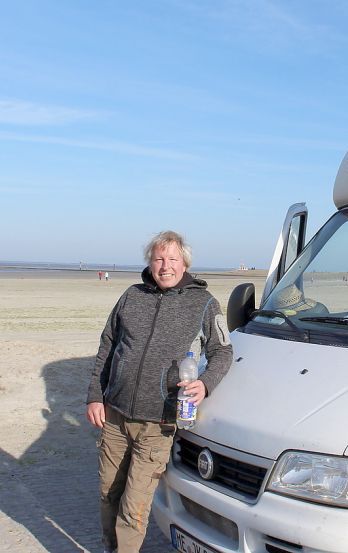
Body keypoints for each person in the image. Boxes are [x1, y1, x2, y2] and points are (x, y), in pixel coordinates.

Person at [85, 230, 233, 553]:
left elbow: (223, 352)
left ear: (185, 264)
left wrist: (204, 384)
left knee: (133, 508)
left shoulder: (204, 303)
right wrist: (96, 395)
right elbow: (107, 346)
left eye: (172, 259)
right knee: (108, 493)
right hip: (115, 416)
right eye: (158, 259)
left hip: (159, 424)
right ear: (150, 263)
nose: (165, 266)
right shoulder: (131, 296)